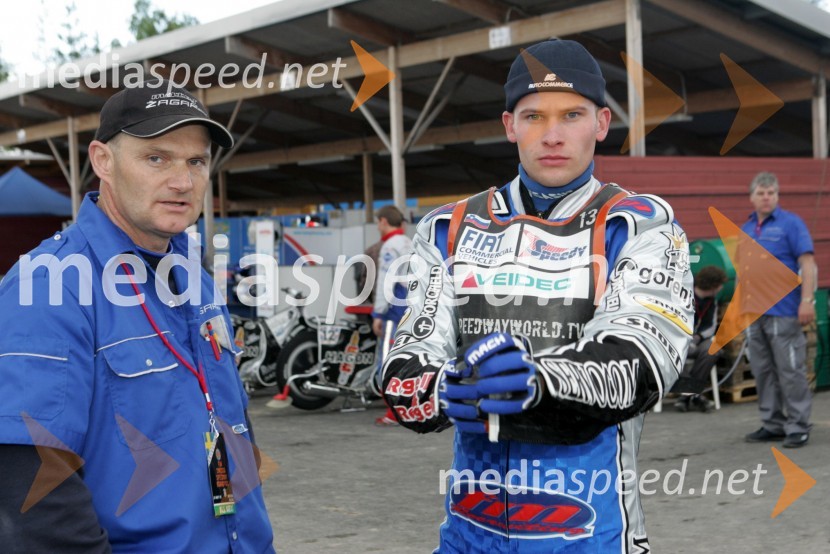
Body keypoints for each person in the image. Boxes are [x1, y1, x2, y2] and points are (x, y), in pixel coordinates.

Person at [381, 39, 693, 552]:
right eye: (533, 116)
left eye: (571, 114)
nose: (552, 135)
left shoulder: (639, 223)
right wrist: (442, 391)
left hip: (592, 534)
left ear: (601, 123)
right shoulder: (445, 228)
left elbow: (643, 363)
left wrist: (532, 383)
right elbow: (404, 361)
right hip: (468, 534)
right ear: (509, 126)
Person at [0, 81, 275, 551]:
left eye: (196, 161)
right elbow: (32, 496)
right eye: (157, 158)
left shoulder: (194, 277)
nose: (183, 181)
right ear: (103, 161)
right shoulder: (49, 286)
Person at [741, 171, 816, 448]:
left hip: (784, 312)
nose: (766, 197)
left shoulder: (791, 224)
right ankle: (772, 423)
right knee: (763, 371)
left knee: (790, 370)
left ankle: (798, 426)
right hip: (753, 313)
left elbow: (807, 264)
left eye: (771, 193)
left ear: (777, 196)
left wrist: (807, 301)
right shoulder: (747, 228)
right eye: (761, 193)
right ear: (752, 197)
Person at [371, 205, 413, 426]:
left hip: (395, 312)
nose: (378, 226)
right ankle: (410, 408)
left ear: (384, 221)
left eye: (378, 222)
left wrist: (378, 313)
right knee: (408, 359)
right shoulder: (410, 242)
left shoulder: (389, 246)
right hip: (414, 309)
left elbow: (386, 281)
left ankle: (393, 412)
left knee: (387, 360)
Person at [673, 265, 729, 412]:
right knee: (672, 355)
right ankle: (695, 395)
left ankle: (686, 396)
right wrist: (687, 338)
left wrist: (697, 337)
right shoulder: (683, 294)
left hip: (699, 340)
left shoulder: (712, 301)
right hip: (679, 338)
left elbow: (711, 326)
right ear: (713, 285)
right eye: (720, 284)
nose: (722, 288)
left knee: (712, 350)